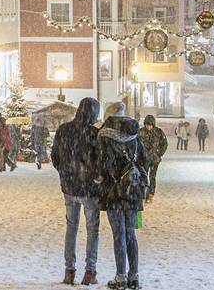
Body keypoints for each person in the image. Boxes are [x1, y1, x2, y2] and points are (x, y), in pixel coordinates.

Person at [98, 101, 150, 290]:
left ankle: (120, 277)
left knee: (118, 234)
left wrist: (102, 178)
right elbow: (145, 160)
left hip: (114, 192)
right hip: (133, 191)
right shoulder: (134, 134)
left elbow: (104, 164)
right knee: (130, 234)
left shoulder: (104, 135)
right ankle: (134, 276)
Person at [51, 97, 102, 286]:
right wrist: (95, 177)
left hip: (69, 186)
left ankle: (69, 270)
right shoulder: (94, 133)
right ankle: (90, 272)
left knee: (71, 228)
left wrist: (65, 173)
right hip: (89, 189)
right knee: (92, 230)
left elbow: (55, 156)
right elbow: (99, 161)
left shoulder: (64, 130)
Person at [140, 114, 167, 202]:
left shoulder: (159, 132)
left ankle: (151, 194)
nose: (149, 127)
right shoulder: (140, 132)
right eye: (147, 125)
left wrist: (159, 154)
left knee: (152, 176)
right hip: (144, 159)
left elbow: (164, 143)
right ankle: (144, 193)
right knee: (144, 176)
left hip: (155, 159)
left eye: (150, 125)